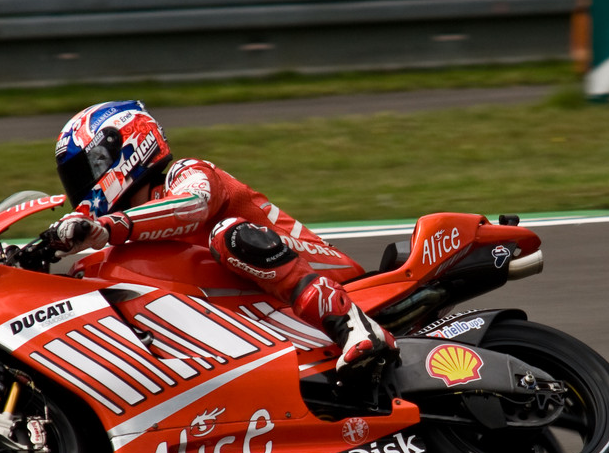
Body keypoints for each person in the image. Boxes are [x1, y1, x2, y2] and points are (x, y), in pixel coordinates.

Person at [47, 100, 397, 376]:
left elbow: (192, 208)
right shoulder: (121, 237)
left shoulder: (188, 173)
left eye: (84, 174)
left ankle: (354, 325)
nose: (80, 190)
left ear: (123, 152)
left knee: (228, 235)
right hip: (255, 307)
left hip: (334, 277)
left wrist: (108, 226)